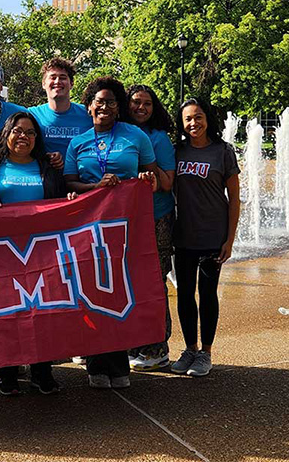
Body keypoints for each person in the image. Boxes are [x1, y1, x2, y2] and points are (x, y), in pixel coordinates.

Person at [63, 76, 158, 390]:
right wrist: (94, 186)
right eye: (99, 101)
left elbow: (151, 174)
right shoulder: (78, 142)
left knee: (121, 291)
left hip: (126, 227)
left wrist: (144, 176)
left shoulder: (136, 136)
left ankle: (120, 365)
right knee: (93, 291)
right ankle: (96, 363)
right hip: (88, 228)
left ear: (119, 108)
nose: (104, 107)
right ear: (90, 106)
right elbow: (70, 183)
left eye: (111, 102)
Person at [0, 112, 74, 396]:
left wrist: (67, 202)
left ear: (37, 139)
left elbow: (62, 206)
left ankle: (42, 372)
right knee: (5, 315)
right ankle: (6, 372)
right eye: (17, 131)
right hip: (2, 256)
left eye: (30, 133)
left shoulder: (49, 170)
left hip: (42, 254)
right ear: (6, 134)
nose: (23, 137)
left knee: (43, 314)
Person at [170, 98, 240, 378]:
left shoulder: (222, 151)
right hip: (184, 234)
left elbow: (234, 198)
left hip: (213, 235)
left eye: (198, 117)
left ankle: (206, 353)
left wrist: (230, 240)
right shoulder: (177, 151)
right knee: (185, 294)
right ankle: (189, 349)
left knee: (208, 294)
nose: (193, 123)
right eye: (187, 119)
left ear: (208, 118)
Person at [125, 85, 177, 371]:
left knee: (154, 282)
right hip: (125, 220)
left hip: (157, 219)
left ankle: (157, 345)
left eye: (147, 103)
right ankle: (132, 342)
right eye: (135, 102)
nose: (141, 108)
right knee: (127, 283)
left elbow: (167, 183)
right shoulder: (118, 132)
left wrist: (149, 160)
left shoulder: (159, 139)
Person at [28, 58, 93, 158]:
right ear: (43, 84)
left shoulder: (89, 114)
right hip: (43, 172)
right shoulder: (31, 115)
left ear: (71, 84)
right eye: (53, 77)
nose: (57, 81)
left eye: (63, 78)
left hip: (80, 172)